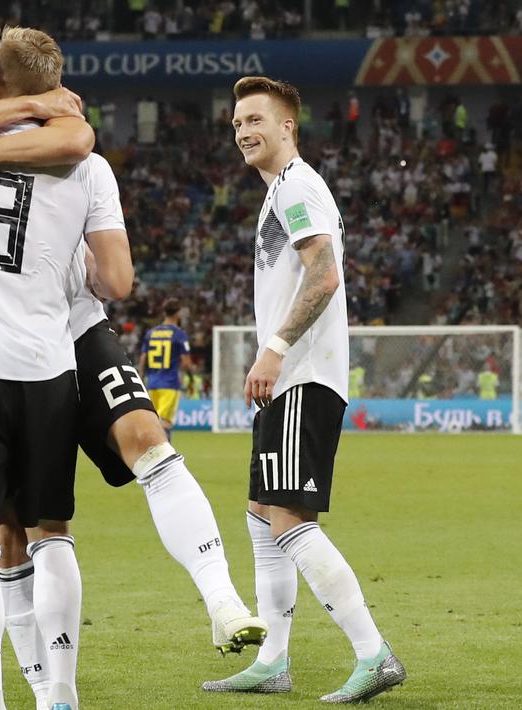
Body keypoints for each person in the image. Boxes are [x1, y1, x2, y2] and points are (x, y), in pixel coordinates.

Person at [0, 27, 263, 710]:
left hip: (3, 351)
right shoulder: (76, 156)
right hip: (56, 343)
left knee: (2, 531)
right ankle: (66, 686)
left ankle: (16, 693)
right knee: (61, 515)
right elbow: (115, 270)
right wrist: (49, 110)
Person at [204, 75, 406, 703]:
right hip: (289, 381)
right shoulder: (277, 194)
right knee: (263, 517)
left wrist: (275, 349)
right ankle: (273, 661)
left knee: (287, 516)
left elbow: (324, 274)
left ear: (288, 126)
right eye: (237, 124)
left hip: (303, 378)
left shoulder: (297, 188)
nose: (244, 132)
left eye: (256, 120)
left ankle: (374, 653)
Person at [140, 298, 191, 440]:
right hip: (169, 383)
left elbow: (143, 358)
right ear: (178, 313)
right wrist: (190, 378)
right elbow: (186, 363)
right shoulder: (179, 334)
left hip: (152, 383)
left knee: (153, 421)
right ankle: (165, 458)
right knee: (165, 422)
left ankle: (153, 454)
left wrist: (141, 378)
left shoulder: (151, 333)